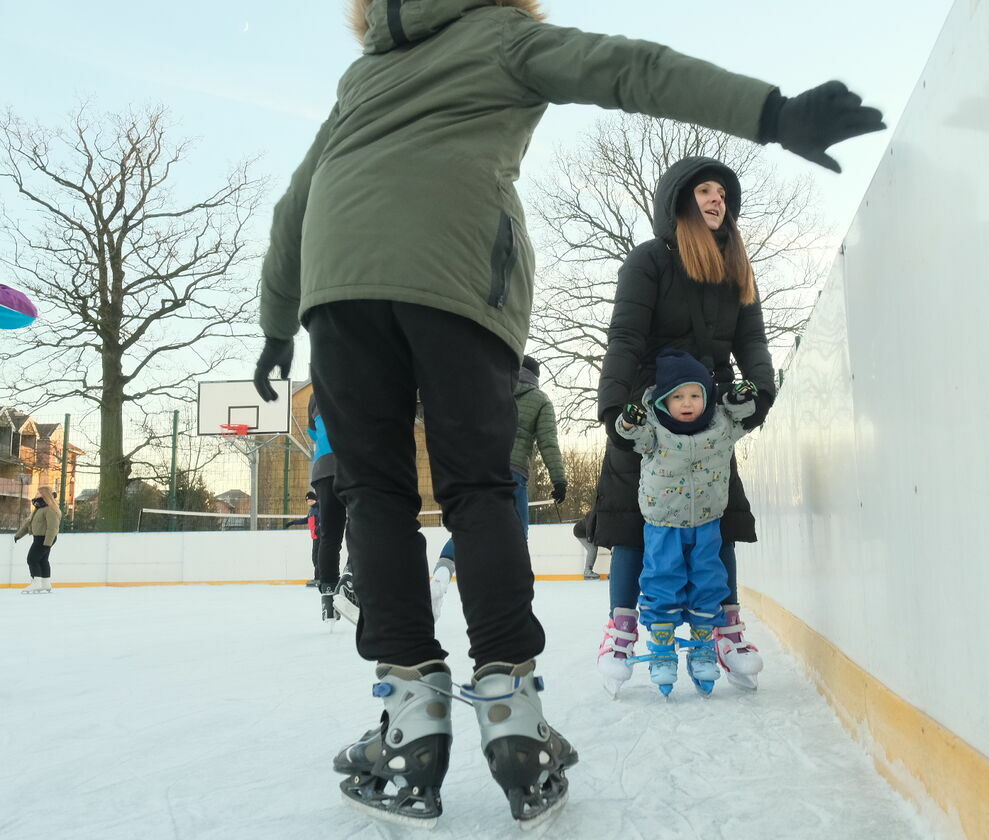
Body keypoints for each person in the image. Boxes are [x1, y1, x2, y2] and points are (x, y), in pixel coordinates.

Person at [252, 0, 883, 827]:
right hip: (457, 282)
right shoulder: (503, 33)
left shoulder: (365, 72)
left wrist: (275, 321)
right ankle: (513, 717)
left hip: (338, 293)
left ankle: (410, 726)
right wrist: (772, 113)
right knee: (478, 490)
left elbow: (295, 203)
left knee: (374, 496)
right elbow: (630, 70)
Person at [594, 156, 779, 694]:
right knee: (631, 515)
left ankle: (723, 627)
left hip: (709, 408)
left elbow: (752, 340)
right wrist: (613, 408)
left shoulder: (736, 268)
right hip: (648, 407)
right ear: (679, 202)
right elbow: (625, 336)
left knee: (718, 513)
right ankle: (623, 628)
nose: (716, 199)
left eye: (722, 192)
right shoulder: (649, 261)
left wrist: (759, 392)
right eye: (704, 191)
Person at [609, 348, 757, 696]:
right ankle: (662, 651)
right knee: (662, 581)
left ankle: (704, 648)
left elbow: (740, 417)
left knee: (709, 582)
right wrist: (629, 420)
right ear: (663, 401)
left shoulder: (720, 428)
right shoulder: (655, 430)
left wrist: (739, 398)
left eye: (695, 395)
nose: (687, 402)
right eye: (678, 396)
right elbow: (631, 435)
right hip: (662, 525)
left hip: (707, 522)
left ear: (707, 397)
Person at [430, 355, 566, 618]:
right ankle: (513, 600)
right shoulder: (540, 400)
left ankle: (441, 577)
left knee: (466, 530)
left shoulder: (490, 390)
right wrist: (558, 480)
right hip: (512, 476)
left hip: (478, 470)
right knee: (518, 536)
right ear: (535, 377)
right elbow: (548, 443)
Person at [307, 392, 353, 623]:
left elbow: (313, 433)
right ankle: (351, 578)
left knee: (329, 536)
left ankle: (328, 598)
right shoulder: (357, 379)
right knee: (362, 524)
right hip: (352, 462)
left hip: (323, 469)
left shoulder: (314, 396)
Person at [14, 486, 59, 594]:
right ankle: (45, 583)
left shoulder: (50, 509)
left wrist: (47, 543)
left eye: (38, 493)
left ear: (45, 494)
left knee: (32, 559)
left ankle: (36, 583)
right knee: (42, 560)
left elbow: (52, 528)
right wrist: (19, 535)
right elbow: (28, 524)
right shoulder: (39, 508)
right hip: (39, 538)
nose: (36, 494)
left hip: (45, 538)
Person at [284, 490, 321, 587]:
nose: (309, 502)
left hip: (320, 537)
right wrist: (293, 522)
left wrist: (318, 529)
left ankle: (319, 578)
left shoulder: (318, 508)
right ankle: (318, 577)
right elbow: (306, 520)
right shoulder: (312, 510)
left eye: (311, 500)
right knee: (315, 558)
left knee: (317, 558)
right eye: (308, 501)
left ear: (315, 500)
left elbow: (322, 520)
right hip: (315, 537)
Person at [573, 510, 600, 580]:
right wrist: (590, 538)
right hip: (580, 531)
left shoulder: (605, 515)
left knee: (595, 547)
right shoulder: (594, 514)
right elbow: (589, 528)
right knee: (592, 549)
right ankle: (587, 571)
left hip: (589, 532)